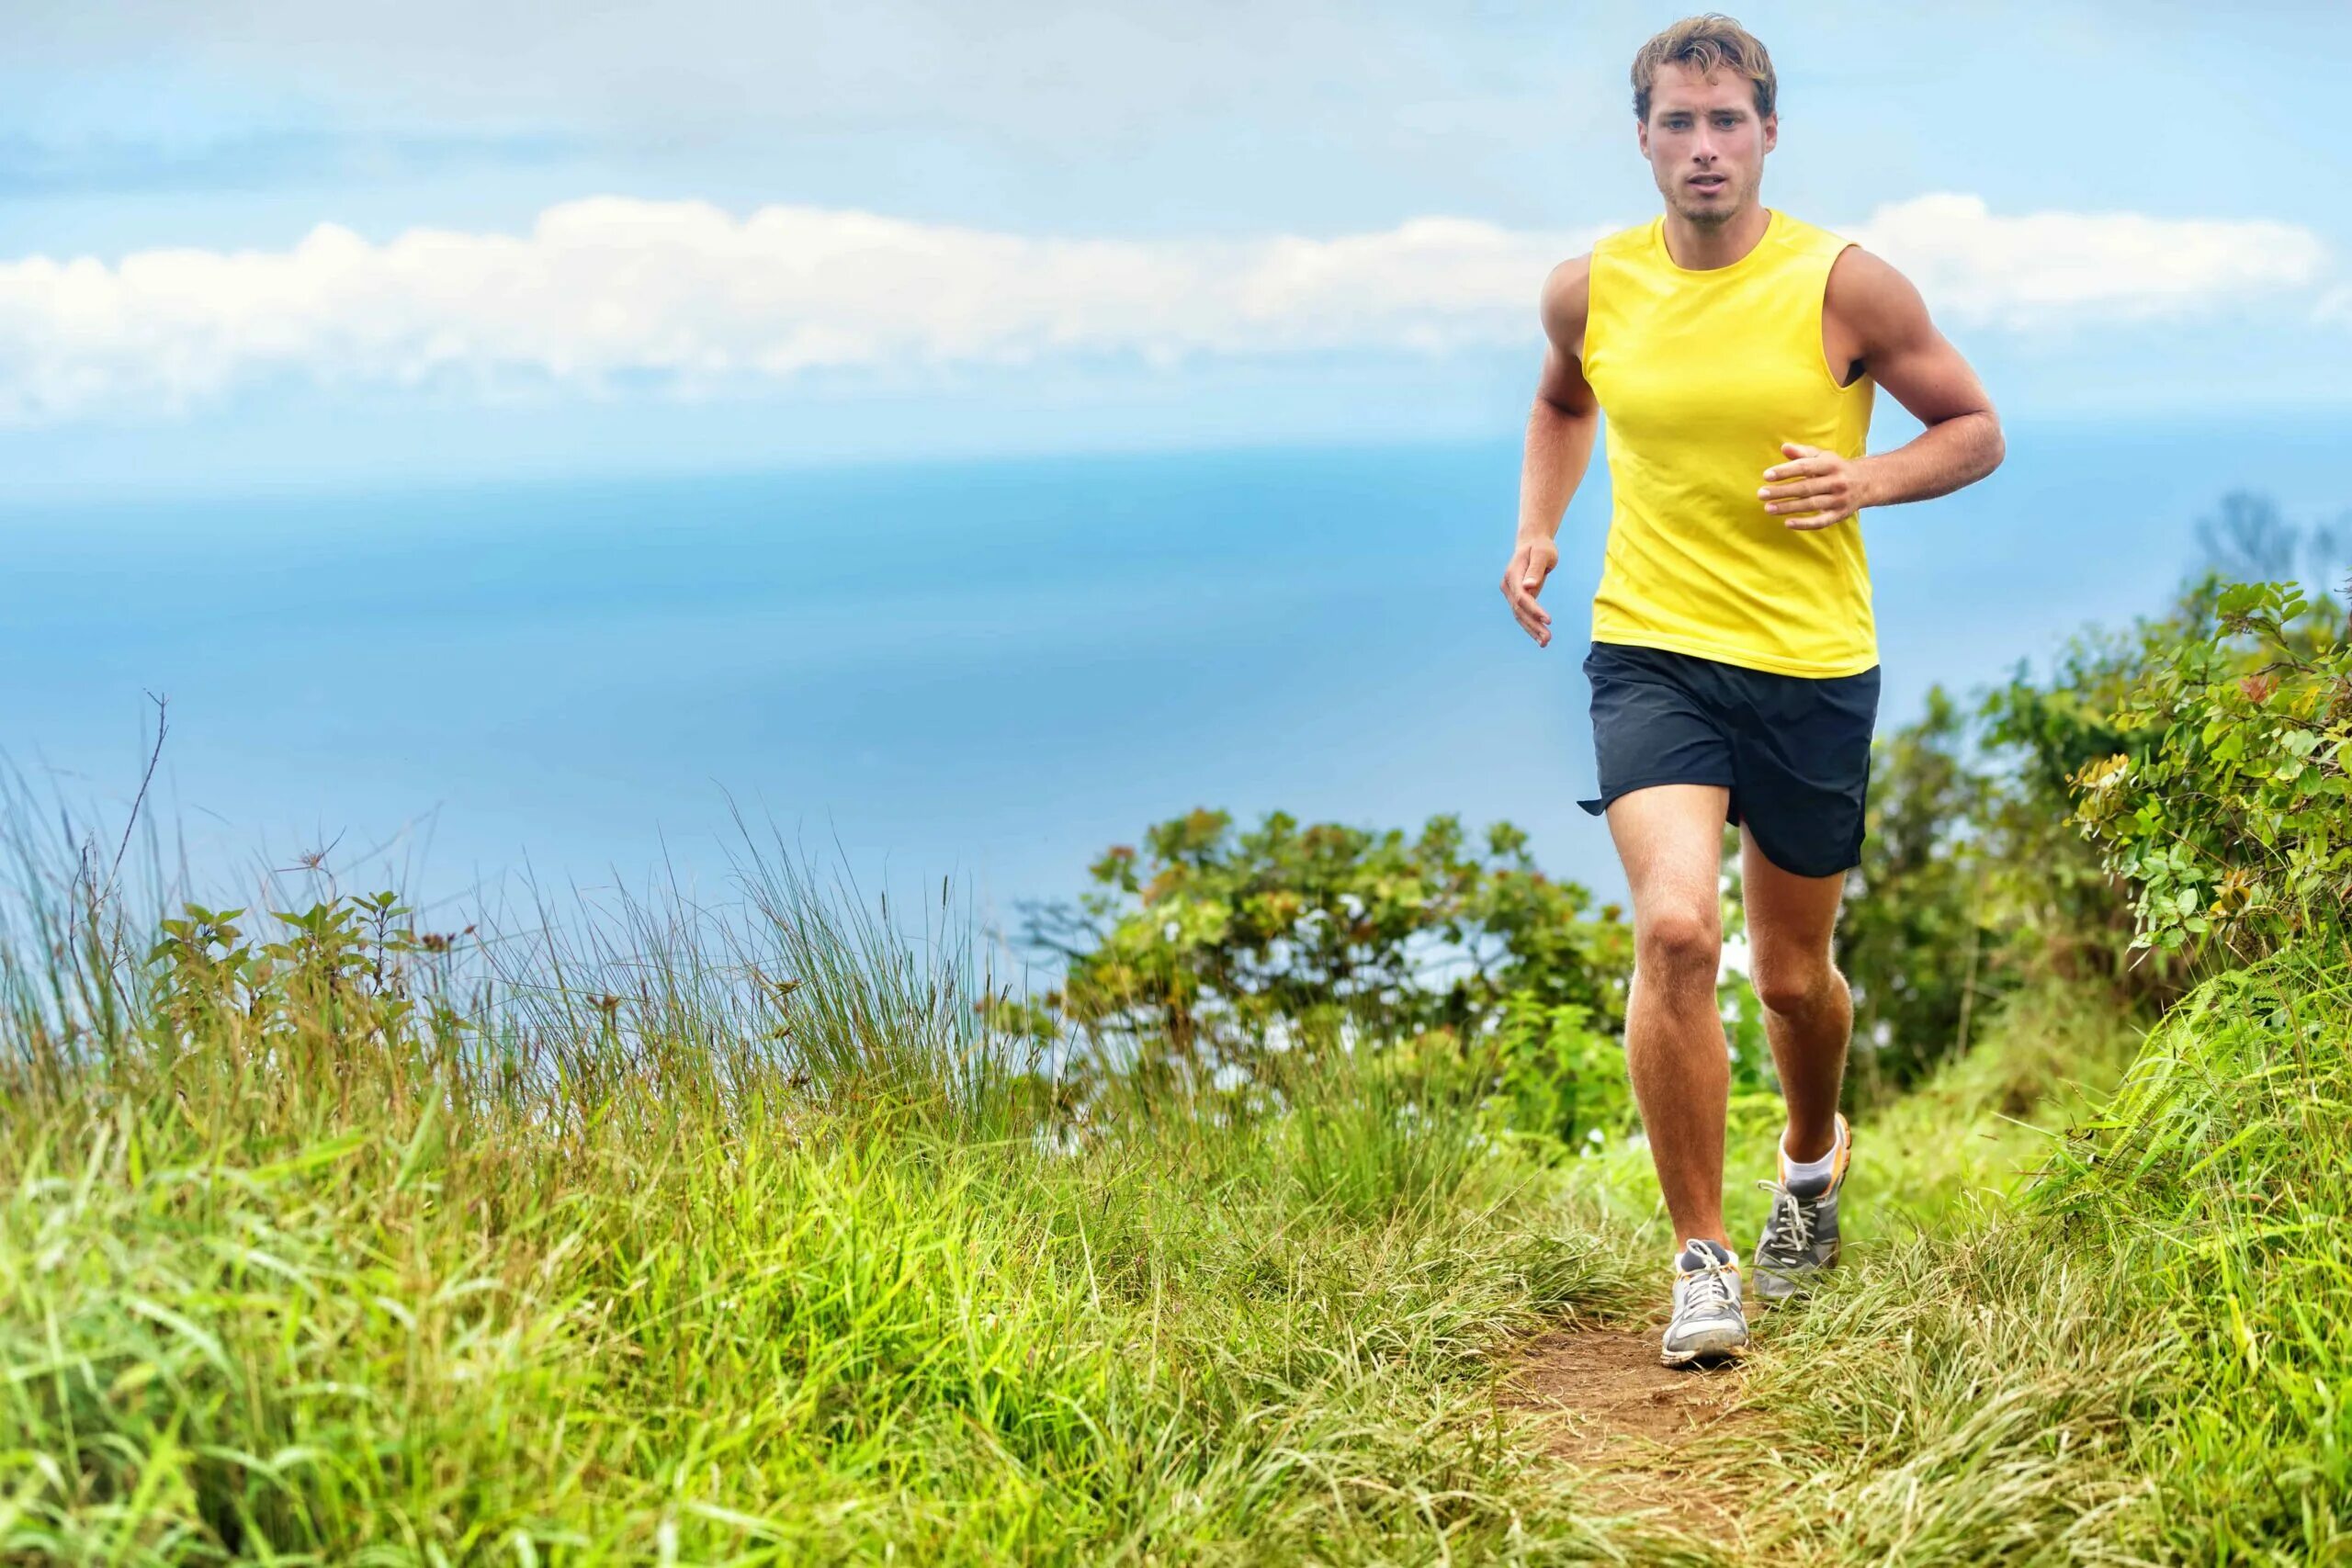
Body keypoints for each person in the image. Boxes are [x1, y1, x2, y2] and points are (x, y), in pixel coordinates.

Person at [1500, 13, 2003, 1367]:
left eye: (1730, 121)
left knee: (1791, 982)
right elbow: (1562, 404)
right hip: (1651, 648)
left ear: (1769, 133)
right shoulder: (1590, 288)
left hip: (1811, 665)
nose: (1705, 146)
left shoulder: (1847, 285)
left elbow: (1974, 428)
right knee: (1674, 931)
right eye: (1680, 121)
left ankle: (1811, 1155)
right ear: (1645, 137)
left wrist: (1866, 478)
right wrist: (1541, 524)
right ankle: (1701, 1259)